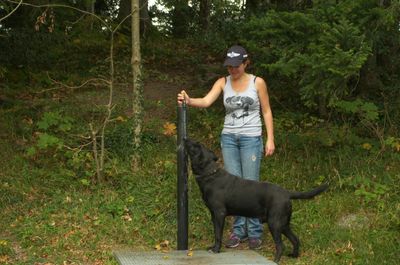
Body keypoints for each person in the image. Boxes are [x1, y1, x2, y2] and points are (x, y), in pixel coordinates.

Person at [177, 45, 275, 250]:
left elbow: (266, 111)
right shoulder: (223, 82)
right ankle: (238, 231)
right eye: (229, 66)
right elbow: (205, 101)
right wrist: (188, 100)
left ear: (246, 63)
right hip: (229, 138)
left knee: (251, 184)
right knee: (232, 189)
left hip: (251, 138)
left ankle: (255, 232)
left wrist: (270, 139)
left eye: (236, 66)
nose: (232, 70)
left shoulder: (258, 83)